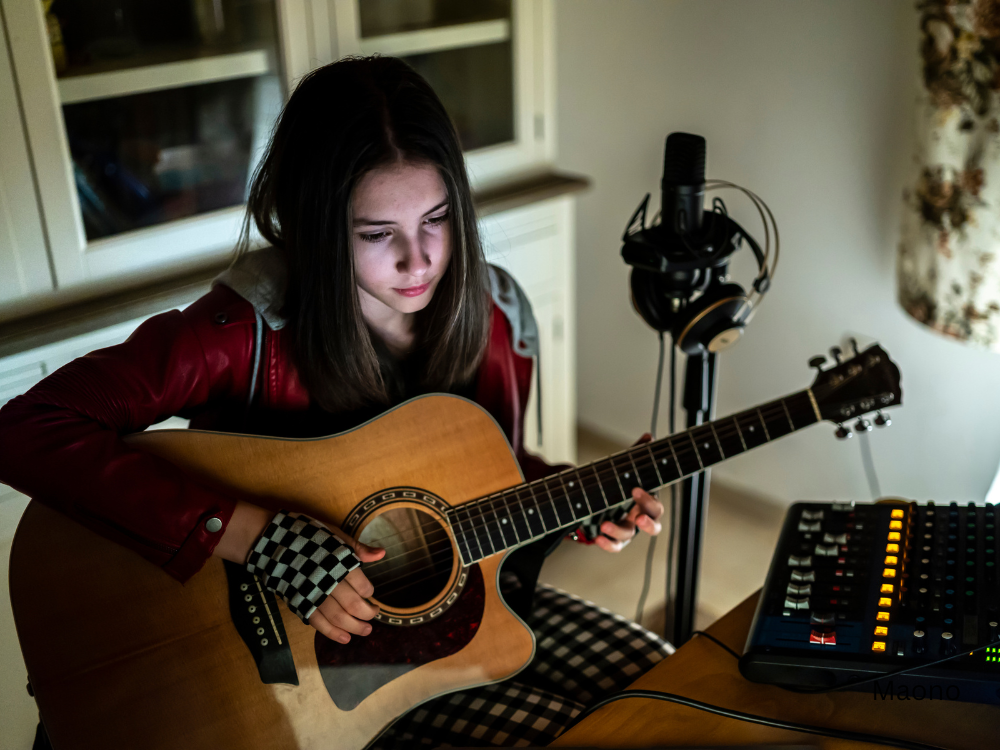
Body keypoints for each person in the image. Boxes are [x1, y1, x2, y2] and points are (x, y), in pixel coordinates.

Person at [0, 56, 670, 748]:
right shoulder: (238, 332)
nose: (419, 260)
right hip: (295, 689)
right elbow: (26, 427)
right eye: (378, 235)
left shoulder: (495, 314)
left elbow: (493, 472)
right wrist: (256, 537)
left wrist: (579, 500)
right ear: (318, 227)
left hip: (449, 624)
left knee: (669, 685)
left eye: (438, 219)